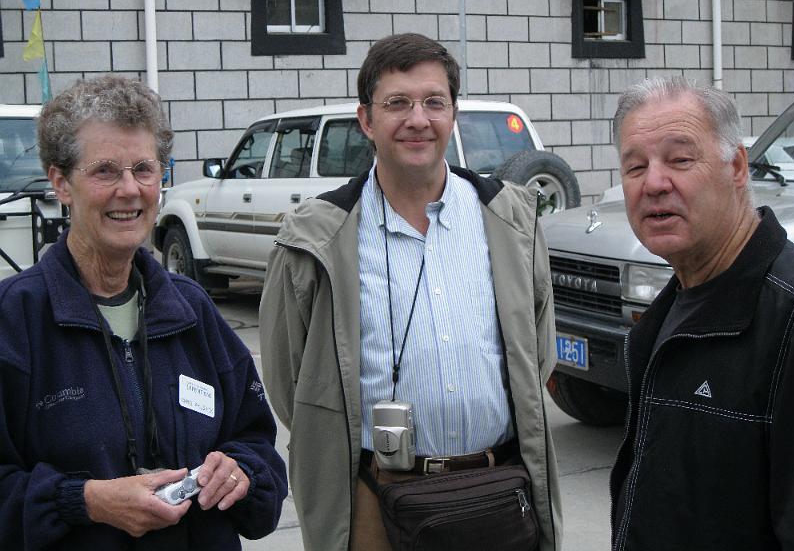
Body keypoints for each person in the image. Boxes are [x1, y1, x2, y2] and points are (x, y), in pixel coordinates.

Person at [260, 32, 561, 551]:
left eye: (433, 102)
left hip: (495, 488)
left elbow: (540, 354)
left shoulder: (511, 220)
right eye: (397, 103)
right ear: (366, 120)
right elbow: (292, 386)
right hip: (374, 500)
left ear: (453, 114)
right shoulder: (316, 236)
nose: (417, 119)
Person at [0, 75, 287, 549]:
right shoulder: (15, 321)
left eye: (144, 168)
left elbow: (257, 445)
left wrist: (241, 473)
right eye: (105, 171)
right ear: (60, 183)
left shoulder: (192, 310)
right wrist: (85, 500)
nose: (130, 190)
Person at [610, 76, 794, 550]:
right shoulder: (669, 309)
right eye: (634, 167)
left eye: (679, 159)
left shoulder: (790, 318)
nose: (654, 183)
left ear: (736, 166)